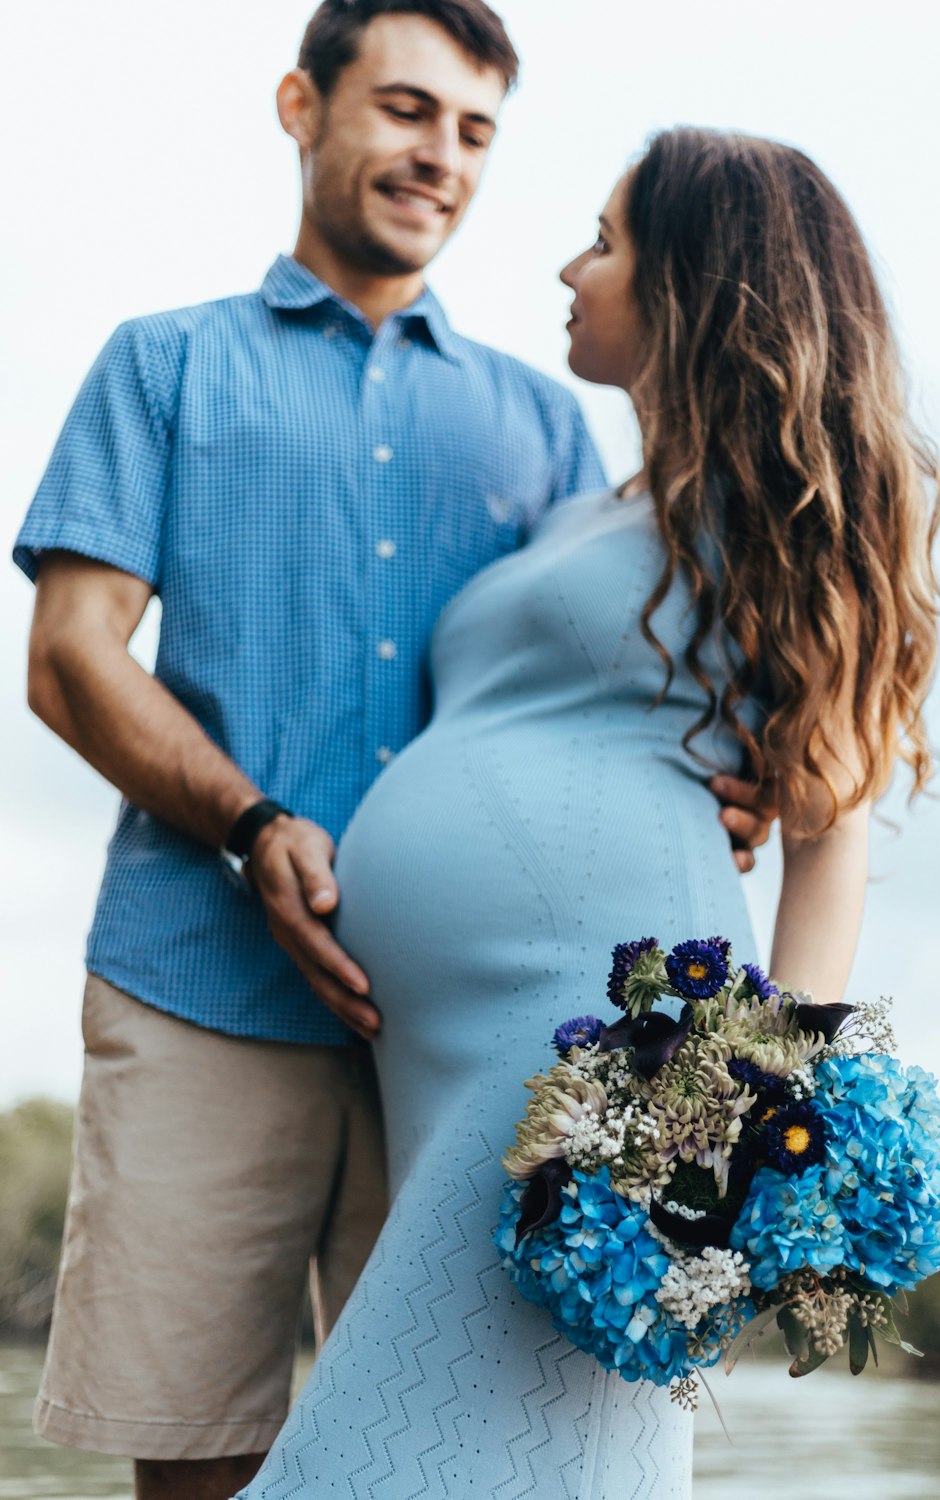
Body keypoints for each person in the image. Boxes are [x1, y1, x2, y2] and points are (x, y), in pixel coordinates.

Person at [12, 5, 773, 1499]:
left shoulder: (544, 421)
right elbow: (69, 657)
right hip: (198, 982)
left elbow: (612, 666)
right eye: (408, 109)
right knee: (201, 1461)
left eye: (475, 131)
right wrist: (251, 826)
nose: (440, 156)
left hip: (471, 1034)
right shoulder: (160, 367)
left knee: (462, 1456)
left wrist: (726, 784)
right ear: (302, 104)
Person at [232, 128, 940, 1500]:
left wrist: (743, 1118)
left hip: (587, 1047)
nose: (571, 266)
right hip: (459, 1049)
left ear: (697, 284)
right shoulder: (596, 502)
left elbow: (832, 829)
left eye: (607, 241)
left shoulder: (780, 502)